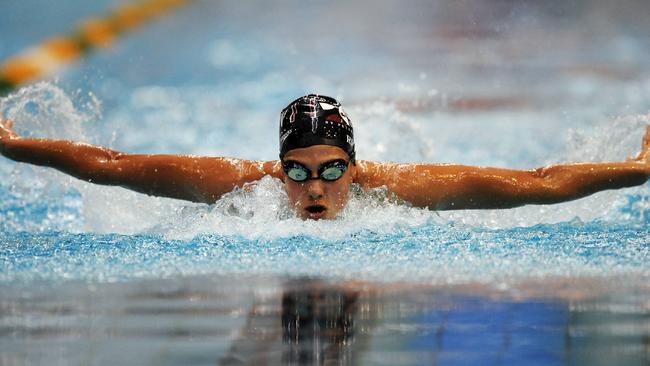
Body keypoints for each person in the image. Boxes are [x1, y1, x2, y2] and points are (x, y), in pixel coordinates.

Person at [1, 94, 649, 220]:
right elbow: (112, 164)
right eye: (300, 172)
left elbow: (535, 182)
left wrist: (636, 170)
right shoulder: (237, 187)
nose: (315, 189)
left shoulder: (399, 192)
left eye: (333, 170)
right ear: (278, 168)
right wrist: (15, 147)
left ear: (356, 169)